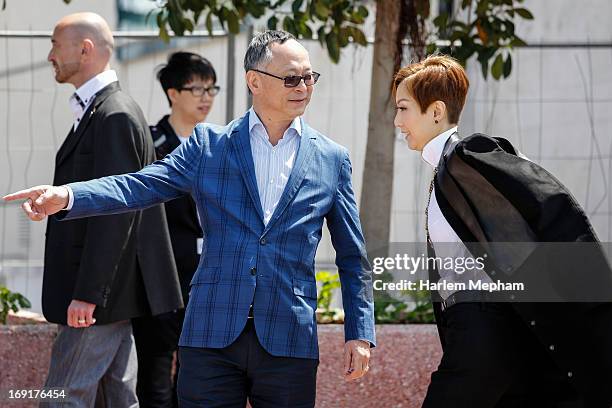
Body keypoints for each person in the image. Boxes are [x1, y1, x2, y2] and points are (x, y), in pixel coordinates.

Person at [5, 30, 375, 408]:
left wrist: (359, 334)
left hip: (289, 338)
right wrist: (67, 195)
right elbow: (138, 186)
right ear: (255, 81)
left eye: (309, 77)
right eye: (292, 78)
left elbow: (352, 256)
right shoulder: (208, 146)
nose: (304, 86)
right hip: (211, 336)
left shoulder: (332, 158)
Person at [392, 55, 612, 407]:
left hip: (484, 326)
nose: (397, 121)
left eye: (404, 109)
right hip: (485, 328)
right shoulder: (448, 172)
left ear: (435, 111)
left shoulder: (466, 157)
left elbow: (545, 202)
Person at [36, 12, 182, 407]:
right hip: (109, 296)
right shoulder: (102, 110)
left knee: (61, 398)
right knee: (117, 398)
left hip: (99, 298)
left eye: (55, 44)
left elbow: (118, 211)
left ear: (84, 49)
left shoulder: (114, 114)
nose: (50, 54)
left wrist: (88, 294)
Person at [132, 51, 219, 408]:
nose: (206, 97)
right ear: (173, 93)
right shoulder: (151, 144)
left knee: (198, 372)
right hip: (159, 275)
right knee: (154, 373)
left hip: (207, 277)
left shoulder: (220, 145)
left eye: (212, 89)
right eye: (197, 88)